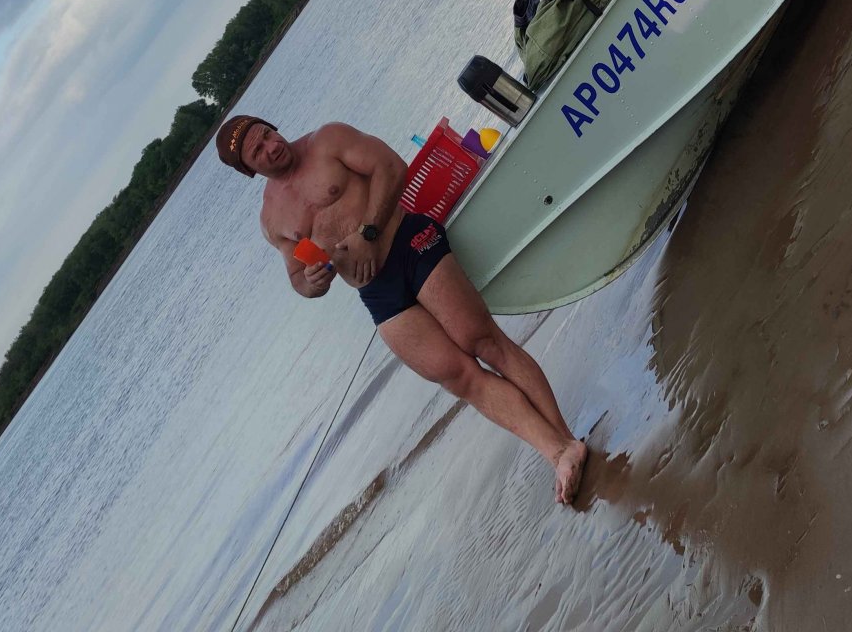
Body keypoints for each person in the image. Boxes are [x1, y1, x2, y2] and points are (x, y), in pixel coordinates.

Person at [216, 113, 587, 505]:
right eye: (258, 150)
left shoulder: (328, 140)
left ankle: (567, 441)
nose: (271, 146)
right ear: (249, 169)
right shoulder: (271, 219)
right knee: (458, 377)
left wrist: (368, 233)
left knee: (482, 341)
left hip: (409, 243)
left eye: (268, 134)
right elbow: (297, 276)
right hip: (376, 292)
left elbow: (392, 167)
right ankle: (556, 453)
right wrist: (311, 282)